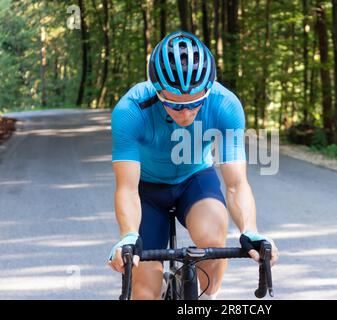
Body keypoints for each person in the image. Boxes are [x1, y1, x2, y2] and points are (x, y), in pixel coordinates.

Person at [108, 30, 278, 300]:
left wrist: (250, 230)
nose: (185, 113)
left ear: (208, 89)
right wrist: (128, 235)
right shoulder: (131, 109)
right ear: (156, 90)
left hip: (195, 180)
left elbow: (236, 184)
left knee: (212, 242)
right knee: (144, 294)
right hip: (148, 190)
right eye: (174, 105)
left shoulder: (226, 105)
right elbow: (127, 188)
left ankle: (206, 298)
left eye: (195, 103)